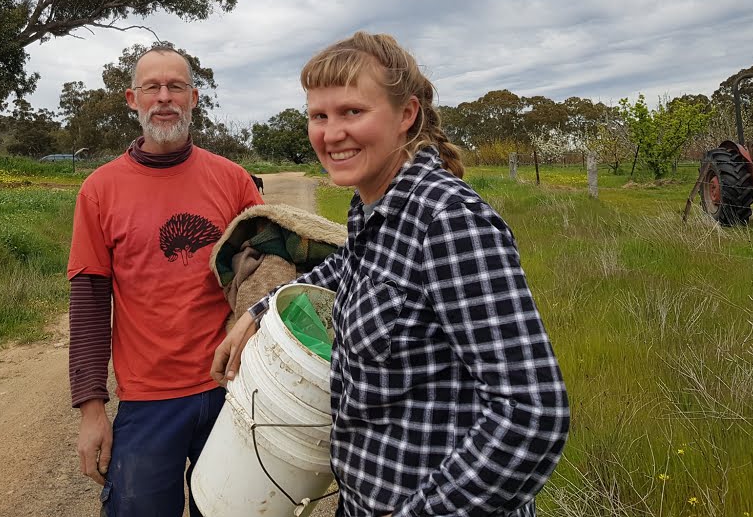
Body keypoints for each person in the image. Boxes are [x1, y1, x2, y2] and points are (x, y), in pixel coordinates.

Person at [212, 32, 569, 517]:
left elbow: (532, 416)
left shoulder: (448, 221)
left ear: (407, 116)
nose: (331, 133)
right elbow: (349, 267)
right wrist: (259, 311)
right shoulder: (371, 206)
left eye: (352, 112)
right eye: (319, 115)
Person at [68, 46, 263, 517]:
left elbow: (265, 279)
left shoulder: (234, 181)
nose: (164, 98)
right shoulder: (100, 189)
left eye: (176, 86)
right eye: (152, 88)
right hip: (148, 402)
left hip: (230, 391)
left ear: (194, 97)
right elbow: (90, 305)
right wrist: (92, 409)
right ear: (132, 99)